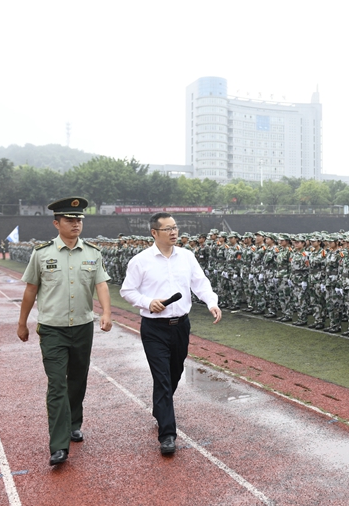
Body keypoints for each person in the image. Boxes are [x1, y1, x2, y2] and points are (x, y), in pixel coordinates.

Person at [16, 197, 113, 466]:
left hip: (82, 327)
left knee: (78, 379)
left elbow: (101, 285)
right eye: (70, 220)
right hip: (52, 329)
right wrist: (22, 323)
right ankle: (58, 446)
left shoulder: (93, 253)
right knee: (57, 384)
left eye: (79, 219)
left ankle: (74, 423)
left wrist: (106, 313)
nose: (76, 224)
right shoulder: (41, 254)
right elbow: (31, 289)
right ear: (56, 223)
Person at [120, 212, 222, 455]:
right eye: (168, 229)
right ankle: (167, 434)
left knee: (175, 373)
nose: (174, 232)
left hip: (181, 326)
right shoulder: (140, 261)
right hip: (154, 328)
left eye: (175, 227)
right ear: (154, 233)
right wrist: (147, 302)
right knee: (162, 378)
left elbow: (200, 283)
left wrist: (211, 302)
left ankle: (160, 408)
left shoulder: (187, 257)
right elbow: (127, 291)